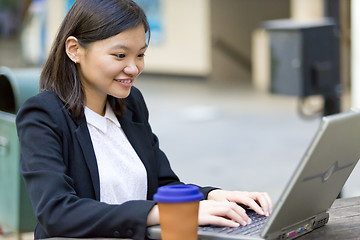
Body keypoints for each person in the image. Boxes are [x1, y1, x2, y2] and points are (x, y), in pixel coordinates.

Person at [16, 0, 272, 239]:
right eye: (120, 55)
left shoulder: (130, 104)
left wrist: (214, 195)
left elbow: (163, 184)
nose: (133, 68)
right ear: (74, 50)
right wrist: (165, 213)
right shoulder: (43, 114)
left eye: (140, 55)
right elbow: (57, 212)